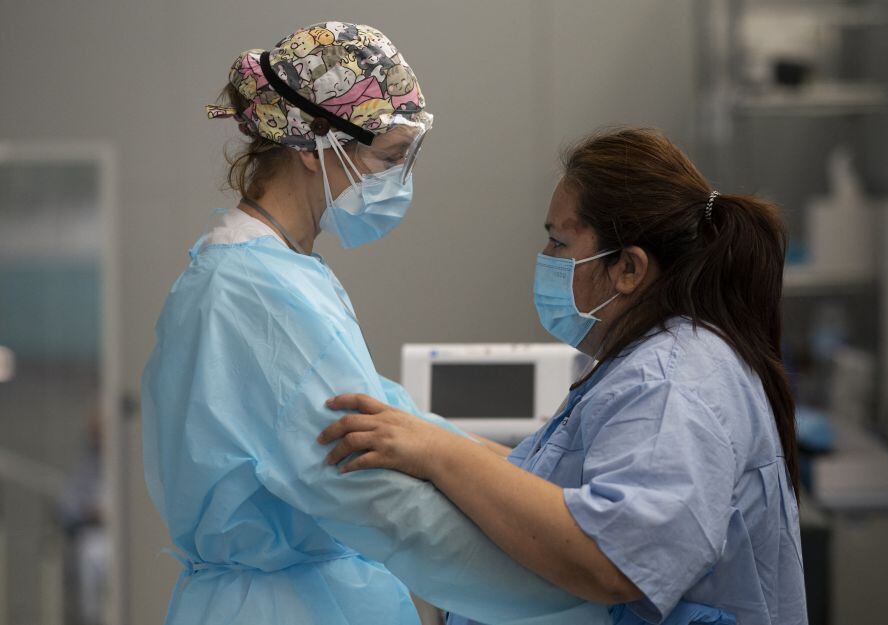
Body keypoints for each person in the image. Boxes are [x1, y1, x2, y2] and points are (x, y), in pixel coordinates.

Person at [141, 22, 609, 625]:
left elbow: (394, 421)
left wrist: (535, 477)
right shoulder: (250, 291)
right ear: (312, 148)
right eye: (386, 159)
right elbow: (372, 489)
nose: (397, 182)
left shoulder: (285, 271)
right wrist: (576, 587)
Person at [318, 128, 809, 625]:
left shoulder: (670, 384)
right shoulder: (647, 359)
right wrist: (429, 437)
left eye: (558, 242)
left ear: (628, 269)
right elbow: (552, 482)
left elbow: (616, 559)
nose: (546, 260)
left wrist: (439, 455)